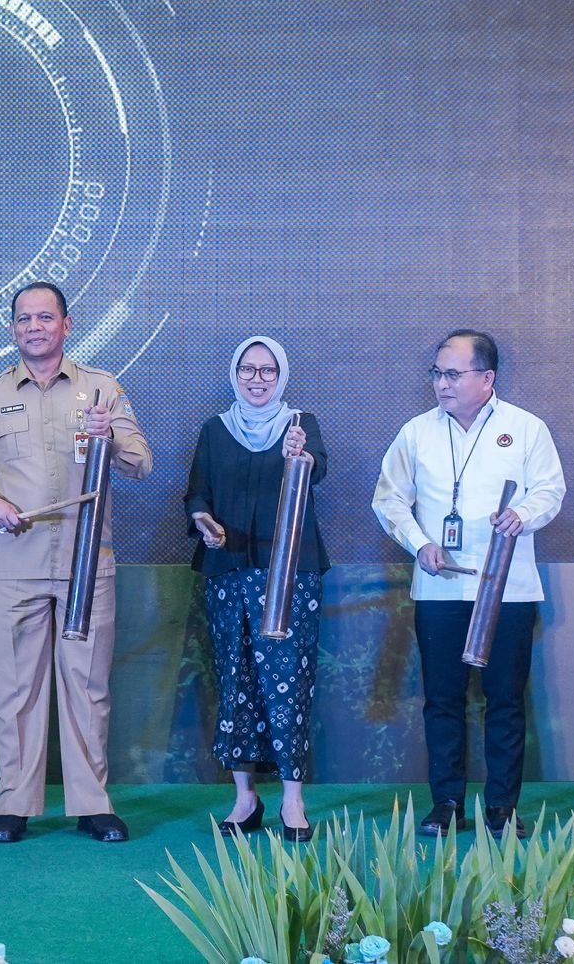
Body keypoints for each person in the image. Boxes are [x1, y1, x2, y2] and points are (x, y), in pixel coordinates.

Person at [0, 281, 153, 844]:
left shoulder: (102, 390)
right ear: (13, 329)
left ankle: (91, 803)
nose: (34, 327)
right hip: (15, 563)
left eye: (45, 317)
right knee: (16, 688)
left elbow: (140, 464)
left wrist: (112, 438)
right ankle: (14, 804)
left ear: (66, 324)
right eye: (24, 319)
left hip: (87, 561)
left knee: (87, 687)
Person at [372, 329, 565, 840]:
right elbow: (388, 498)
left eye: (452, 374)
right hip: (439, 589)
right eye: (436, 372)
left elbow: (551, 489)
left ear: (487, 378)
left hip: (507, 588)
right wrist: (420, 543)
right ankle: (448, 803)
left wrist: (523, 514)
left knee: (504, 699)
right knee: (442, 699)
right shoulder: (416, 432)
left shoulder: (525, 428)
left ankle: (502, 805)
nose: (441, 383)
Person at [183, 336, 328, 842]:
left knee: (288, 684)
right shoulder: (215, 429)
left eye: (268, 371)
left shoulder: (299, 424)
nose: (258, 379)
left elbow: (317, 469)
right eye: (248, 369)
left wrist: (300, 454)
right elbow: (196, 492)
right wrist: (202, 519)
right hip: (227, 571)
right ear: (235, 373)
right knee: (236, 681)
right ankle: (245, 798)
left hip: (290, 575)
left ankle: (292, 799)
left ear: (281, 375)